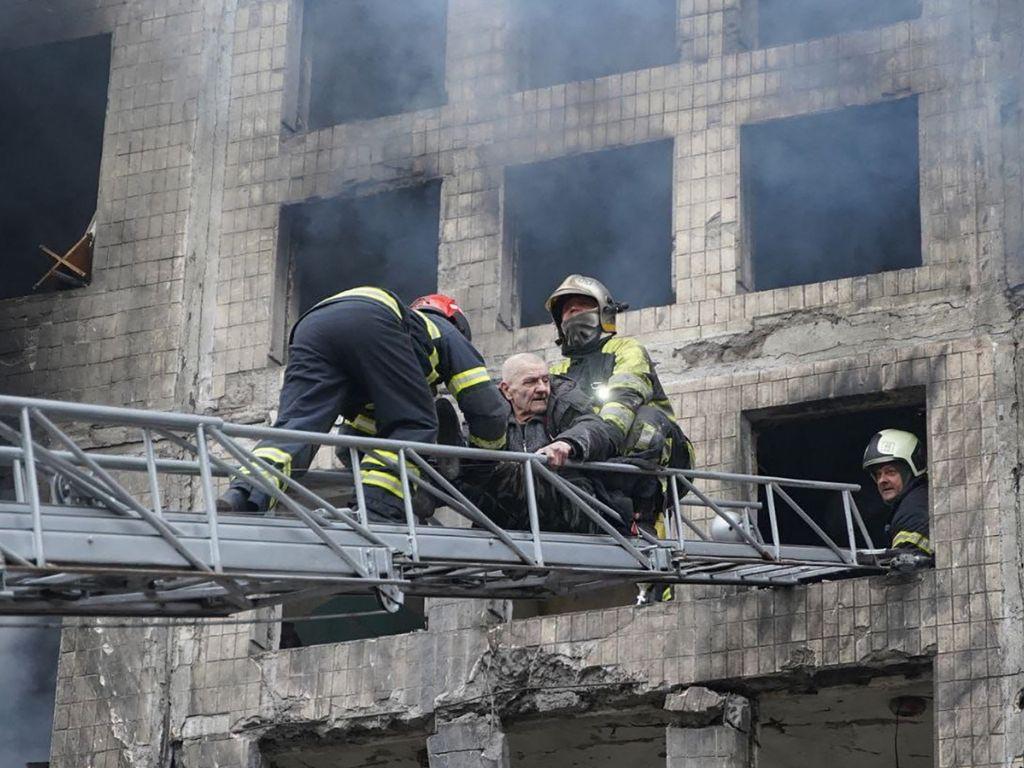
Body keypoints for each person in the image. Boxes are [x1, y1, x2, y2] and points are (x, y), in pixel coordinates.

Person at [217, 288, 507, 522]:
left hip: (311, 326)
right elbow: (487, 408)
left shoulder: (383, 378)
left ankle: (243, 494)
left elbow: (348, 445)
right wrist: (483, 461)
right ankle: (379, 512)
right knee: (414, 425)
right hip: (371, 316)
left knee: (296, 430)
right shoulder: (445, 329)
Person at [545, 274, 693, 525]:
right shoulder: (558, 372)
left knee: (645, 420)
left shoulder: (626, 348)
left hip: (651, 456)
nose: (572, 314)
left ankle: (643, 506)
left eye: (581, 306)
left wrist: (600, 436)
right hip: (593, 462)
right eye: (567, 312)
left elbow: (625, 398)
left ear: (604, 312)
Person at [459, 353, 627, 533]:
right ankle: (446, 462)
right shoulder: (489, 415)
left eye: (545, 380)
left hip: (569, 511)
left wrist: (567, 443)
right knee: (472, 475)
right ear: (507, 390)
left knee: (504, 471)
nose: (542, 388)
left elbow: (595, 427)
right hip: (511, 518)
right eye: (530, 382)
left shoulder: (564, 399)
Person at [862, 429, 932, 562]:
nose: (882, 480)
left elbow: (908, 569)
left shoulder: (913, 509)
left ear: (911, 470)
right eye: (878, 474)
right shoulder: (917, 499)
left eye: (890, 472)